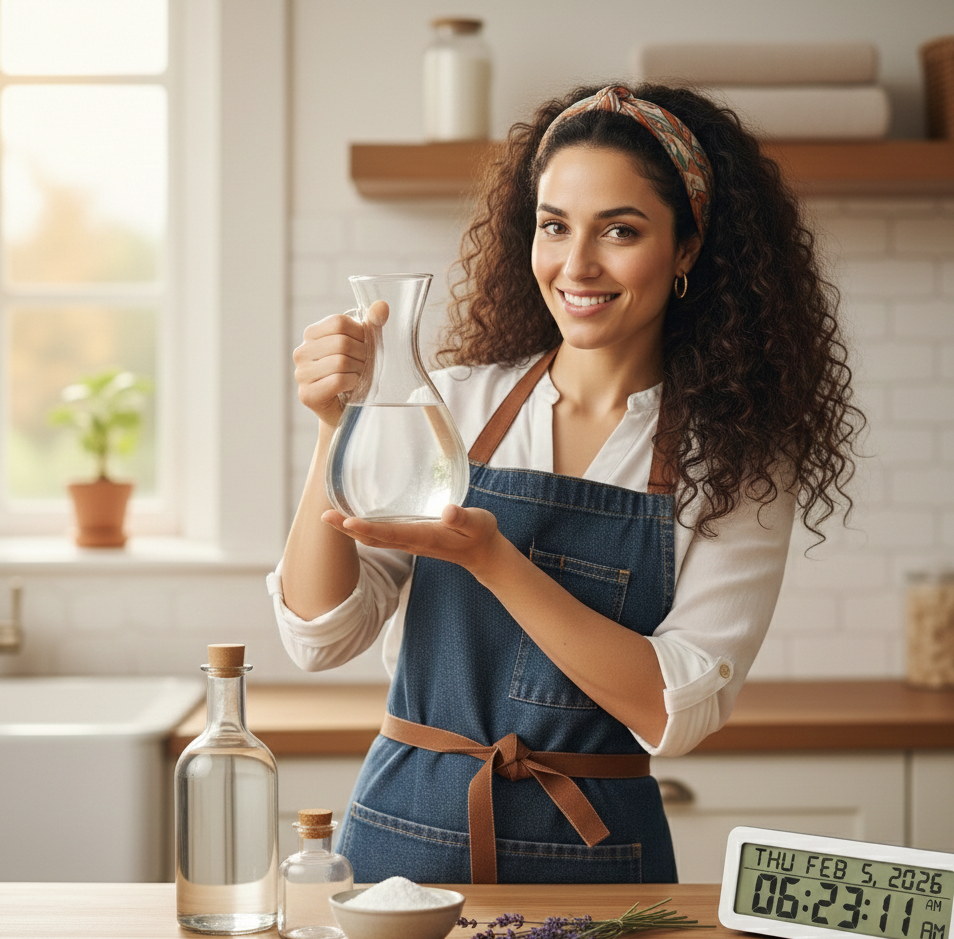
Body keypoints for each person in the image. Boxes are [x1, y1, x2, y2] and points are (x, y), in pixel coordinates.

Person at [268, 83, 864, 885]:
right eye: (555, 227)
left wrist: (495, 560)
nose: (576, 265)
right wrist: (333, 427)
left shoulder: (733, 459)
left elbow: (671, 709)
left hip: (598, 863)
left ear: (687, 249)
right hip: (400, 847)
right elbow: (318, 632)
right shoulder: (452, 404)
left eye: (620, 230)